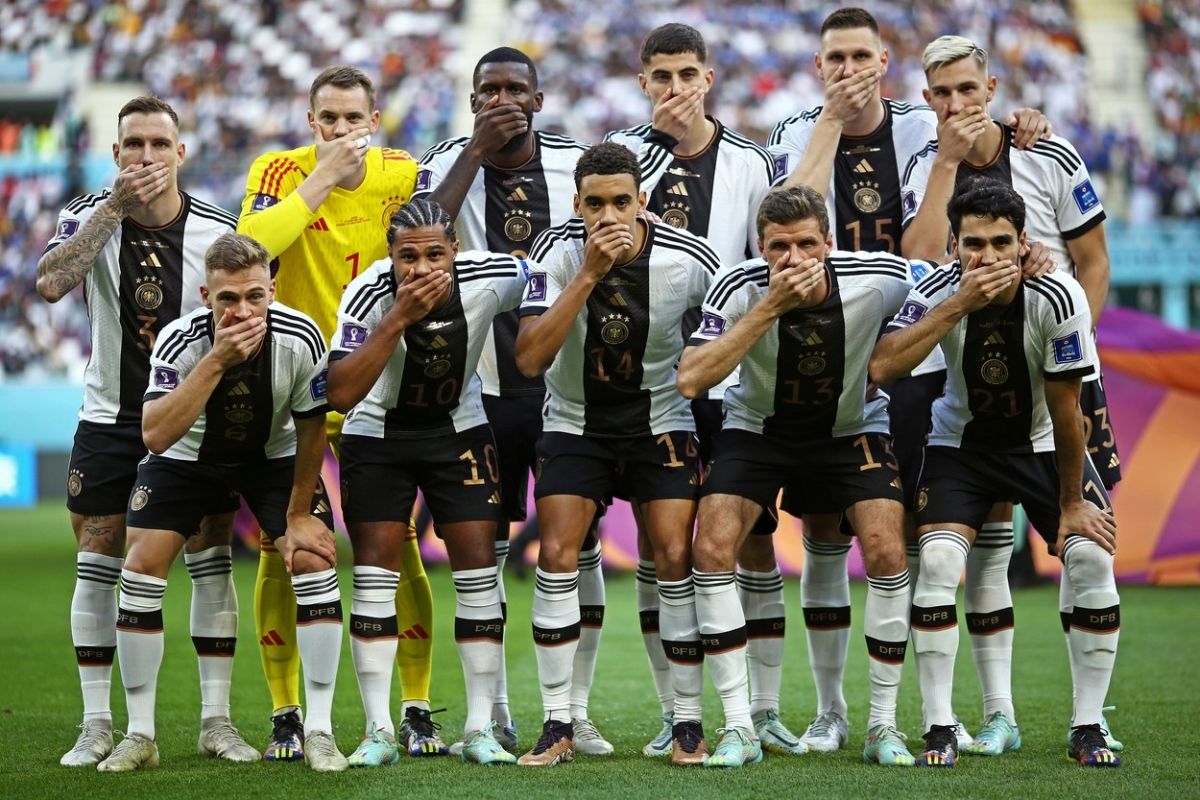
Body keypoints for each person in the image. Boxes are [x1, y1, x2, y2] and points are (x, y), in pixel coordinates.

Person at [767, 7, 1049, 753]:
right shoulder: (794, 130)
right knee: (824, 530)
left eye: (861, 56)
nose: (849, 69)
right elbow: (792, 219)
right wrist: (832, 121)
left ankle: (951, 711)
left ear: (885, 62)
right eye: (835, 58)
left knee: (942, 538)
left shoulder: (925, 125)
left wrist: (1023, 122)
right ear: (818, 66)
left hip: (922, 357)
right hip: (826, 360)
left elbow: (934, 238)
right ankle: (832, 710)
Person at [415, 47, 642, 756]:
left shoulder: (575, 164)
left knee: (579, 549)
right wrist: (475, 152)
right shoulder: (446, 163)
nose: (503, 100)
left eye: (516, 89)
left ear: (539, 101)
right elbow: (421, 235)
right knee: (483, 551)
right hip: (483, 387)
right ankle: (493, 716)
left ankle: (575, 712)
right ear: (472, 100)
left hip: (569, 391)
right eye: (489, 90)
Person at [900, 35, 1121, 753]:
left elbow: (1094, 262)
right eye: (942, 94)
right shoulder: (925, 163)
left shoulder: (1048, 153)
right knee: (984, 552)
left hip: (1058, 374)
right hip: (966, 382)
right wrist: (945, 163)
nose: (956, 104)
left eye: (968, 89)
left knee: (1085, 542)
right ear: (927, 99)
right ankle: (994, 715)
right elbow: (917, 264)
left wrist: (1066, 341)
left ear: (991, 89)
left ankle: (1090, 717)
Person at [678, 185, 925, 768]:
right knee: (710, 548)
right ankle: (740, 726)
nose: (794, 258)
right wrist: (770, 306)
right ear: (760, 249)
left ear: (829, 243)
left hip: (850, 428)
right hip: (758, 430)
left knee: (888, 549)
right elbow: (691, 378)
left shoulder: (879, 277)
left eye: (807, 244)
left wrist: (1030, 260)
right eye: (779, 247)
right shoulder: (738, 287)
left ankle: (880, 725)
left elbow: (942, 281)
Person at [604, 24, 800, 757]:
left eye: (687, 74)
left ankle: (765, 710)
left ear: (708, 78)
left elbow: (768, 265)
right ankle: (675, 712)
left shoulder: (753, 161)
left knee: (753, 542)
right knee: (662, 548)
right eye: (662, 76)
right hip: (647, 384)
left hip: (730, 382)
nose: (675, 88)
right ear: (643, 82)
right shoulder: (621, 156)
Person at [36, 96, 248, 767]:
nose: (147, 156)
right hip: (109, 419)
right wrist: (113, 210)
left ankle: (217, 722)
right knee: (97, 562)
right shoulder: (88, 217)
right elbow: (50, 283)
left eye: (160, 144)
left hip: (192, 421)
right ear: (116, 153)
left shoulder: (216, 230)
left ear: (181, 153)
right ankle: (97, 724)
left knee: (210, 559)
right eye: (134, 144)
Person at [236, 65, 439, 759]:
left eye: (355, 118)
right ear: (311, 121)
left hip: (374, 383)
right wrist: (321, 177)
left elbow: (439, 245)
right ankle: (285, 712)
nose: (343, 130)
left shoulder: (402, 172)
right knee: (283, 546)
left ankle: (416, 707)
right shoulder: (277, 169)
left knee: (394, 544)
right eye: (329, 119)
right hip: (293, 387)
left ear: (374, 120)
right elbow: (253, 249)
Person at [96, 233, 347, 772]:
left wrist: (297, 515)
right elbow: (155, 434)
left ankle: (320, 732)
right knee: (140, 567)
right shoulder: (179, 340)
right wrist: (217, 359)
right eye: (228, 299)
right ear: (206, 296)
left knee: (313, 559)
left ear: (272, 291)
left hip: (272, 458)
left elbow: (312, 430)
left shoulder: (301, 335)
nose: (243, 310)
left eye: (255, 296)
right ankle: (141, 734)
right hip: (186, 458)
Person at [514, 143, 720, 767]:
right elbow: (530, 359)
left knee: (675, 555)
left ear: (642, 202)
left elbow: (732, 329)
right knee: (556, 553)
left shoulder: (690, 259)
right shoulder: (552, 254)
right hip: (575, 423)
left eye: (621, 202)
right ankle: (558, 722)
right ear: (576, 205)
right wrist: (588, 274)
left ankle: (686, 721)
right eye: (595, 204)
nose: (608, 216)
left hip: (661, 423)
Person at [326, 198, 532, 767]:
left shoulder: (491, 275)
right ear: (390, 256)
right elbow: (340, 392)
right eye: (407, 257)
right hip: (378, 435)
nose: (420, 268)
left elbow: (548, 275)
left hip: (458, 431)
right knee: (374, 577)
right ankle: (377, 730)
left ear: (455, 251)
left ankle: (480, 727)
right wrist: (396, 318)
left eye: (434, 255)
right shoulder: (367, 293)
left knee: (478, 574)